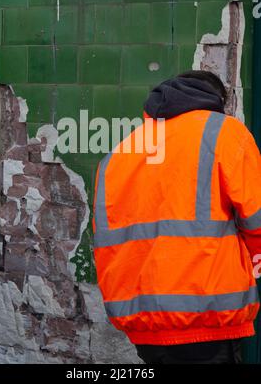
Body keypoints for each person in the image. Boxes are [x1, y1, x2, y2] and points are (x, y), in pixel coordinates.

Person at [92, 71, 261, 364]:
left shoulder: (121, 151)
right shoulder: (225, 132)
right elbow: (257, 219)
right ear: (220, 101)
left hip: (143, 325)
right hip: (208, 314)